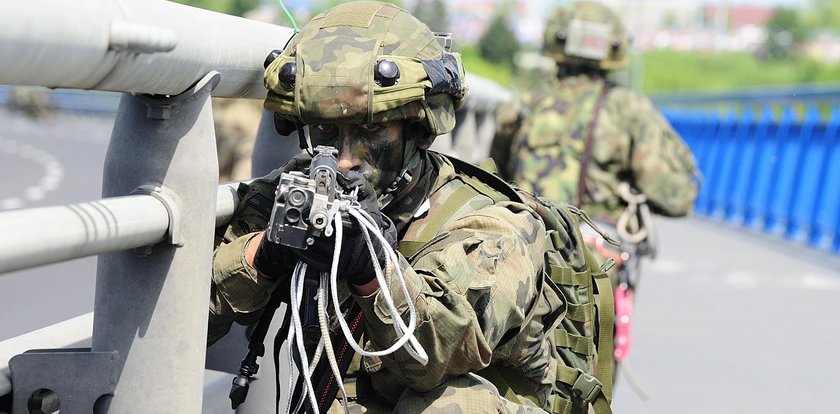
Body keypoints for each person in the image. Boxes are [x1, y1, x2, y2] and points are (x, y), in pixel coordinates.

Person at [208, 2, 612, 413]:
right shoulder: (296, 194)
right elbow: (186, 320)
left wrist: (370, 268)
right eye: (326, 131)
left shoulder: (492, 226)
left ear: (419, 128)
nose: (343, 159)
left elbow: (434, 356)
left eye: (370, 129)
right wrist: (264, 253)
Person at [491, 0, 700, 363]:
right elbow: (676, 196)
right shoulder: (628, 110)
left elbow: (494, 177)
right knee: (591, 377)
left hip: (522, 259)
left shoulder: (525, 103)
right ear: (614, 48)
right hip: (594, 267)